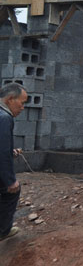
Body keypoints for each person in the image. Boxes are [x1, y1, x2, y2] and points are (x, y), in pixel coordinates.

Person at [0, 83, 28, 242]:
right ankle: (3, 231)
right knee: (11, 191)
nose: (23, 108)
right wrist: (10, 180)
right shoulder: (5, 117)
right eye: (22, 103)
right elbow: (2, 152)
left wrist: (11, 152)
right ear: (10, 99)